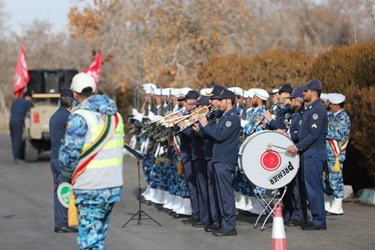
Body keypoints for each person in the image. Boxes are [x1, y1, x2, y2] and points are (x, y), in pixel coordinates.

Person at [59, 72, 125, 249]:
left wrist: (66, 178)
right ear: (95, 91)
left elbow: (68, 157)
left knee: (88, 240)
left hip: (89, 187)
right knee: (98, 238)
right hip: (112, 186)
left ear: (74, 94)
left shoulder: (80, 118)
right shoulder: (115, 117)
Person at [286, 79, 328, 230]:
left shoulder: (317, 110)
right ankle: (316, 218)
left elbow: (313, 135)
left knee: (313, 188)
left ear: (314, 93)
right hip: (308, 153)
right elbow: (303, 133)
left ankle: (319, 221)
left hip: (314, 154)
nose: (303, 93)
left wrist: (296, 148)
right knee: (309, 187)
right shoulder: (310, 109)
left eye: (306, 91)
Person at [199, 88, 241, 236]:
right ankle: (222, 222)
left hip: (225, 160)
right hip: (218, 159)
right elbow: (213, 135)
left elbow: (219, 135)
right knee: (218, 193)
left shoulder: (232, 118)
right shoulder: (224, 116)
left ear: (228, 101)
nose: (219, 103)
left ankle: (229, 225)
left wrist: (205, 125)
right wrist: (201, 128)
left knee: (225, 194)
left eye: (221, 100)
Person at [277, 86, 307, 226]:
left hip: (296, 151)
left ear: (298, 101)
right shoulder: (294, 113)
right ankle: (289, 212)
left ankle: (299, 214)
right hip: (287, 151)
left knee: (296, 187)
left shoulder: (302, 114)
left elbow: (301, 134)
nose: (290, 102)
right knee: (287, 186)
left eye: (292, 99)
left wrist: (288, 135)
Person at [49, 89, 77, 233]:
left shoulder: (54, 116)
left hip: (54, 157)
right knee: (64, 191)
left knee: (58, 191)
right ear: (70, 102)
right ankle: (62, 223)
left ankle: (60, 222)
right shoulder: (67, 117)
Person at [324, 93, 351, 215]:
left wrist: (323, 131)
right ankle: (329, 202)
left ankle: (338, 204)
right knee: (327, 179)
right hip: (328, 152)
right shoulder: (332, 116)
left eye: (331, 104)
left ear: (336, 105)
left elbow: (338, 134)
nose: (329, 105)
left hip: (335, 154)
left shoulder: (343, 118)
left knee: (336, 179)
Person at [9, 90, 33, 163]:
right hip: (18, 123)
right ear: (28, 97)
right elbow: (32, 111)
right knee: (18, 140)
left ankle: (15, 156)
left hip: (11, 121)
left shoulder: (15, 101)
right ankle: (17, 158)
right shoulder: (28, 103)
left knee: (14, 140)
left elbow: (12, 110)